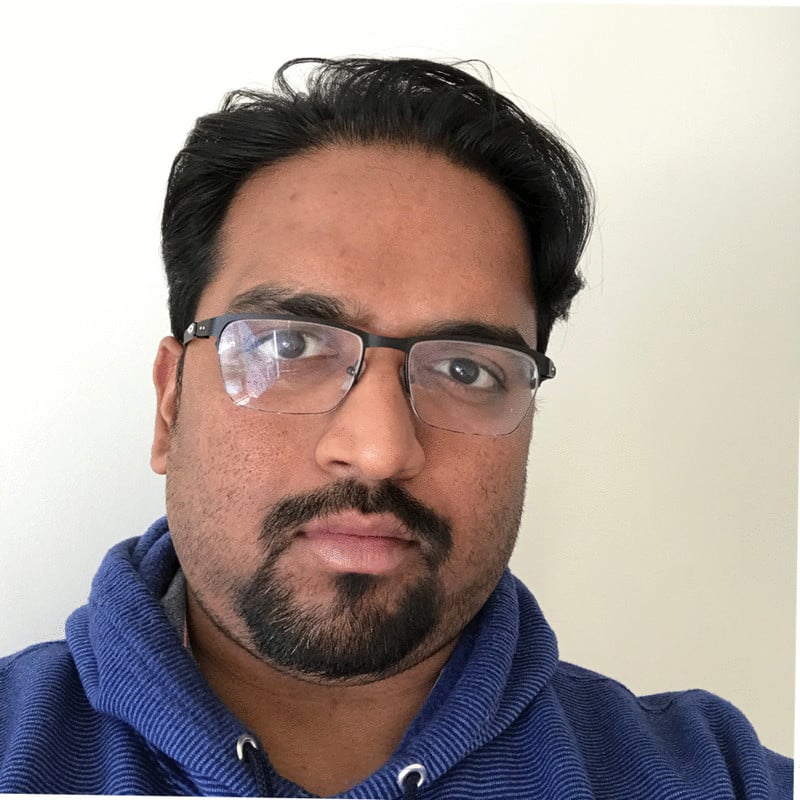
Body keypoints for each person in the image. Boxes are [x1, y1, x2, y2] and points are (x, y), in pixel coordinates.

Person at [0, 56, 792, 799]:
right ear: (170, 405)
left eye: (467, 370)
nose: (379, 450)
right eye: (289, 345)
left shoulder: (723, 778)